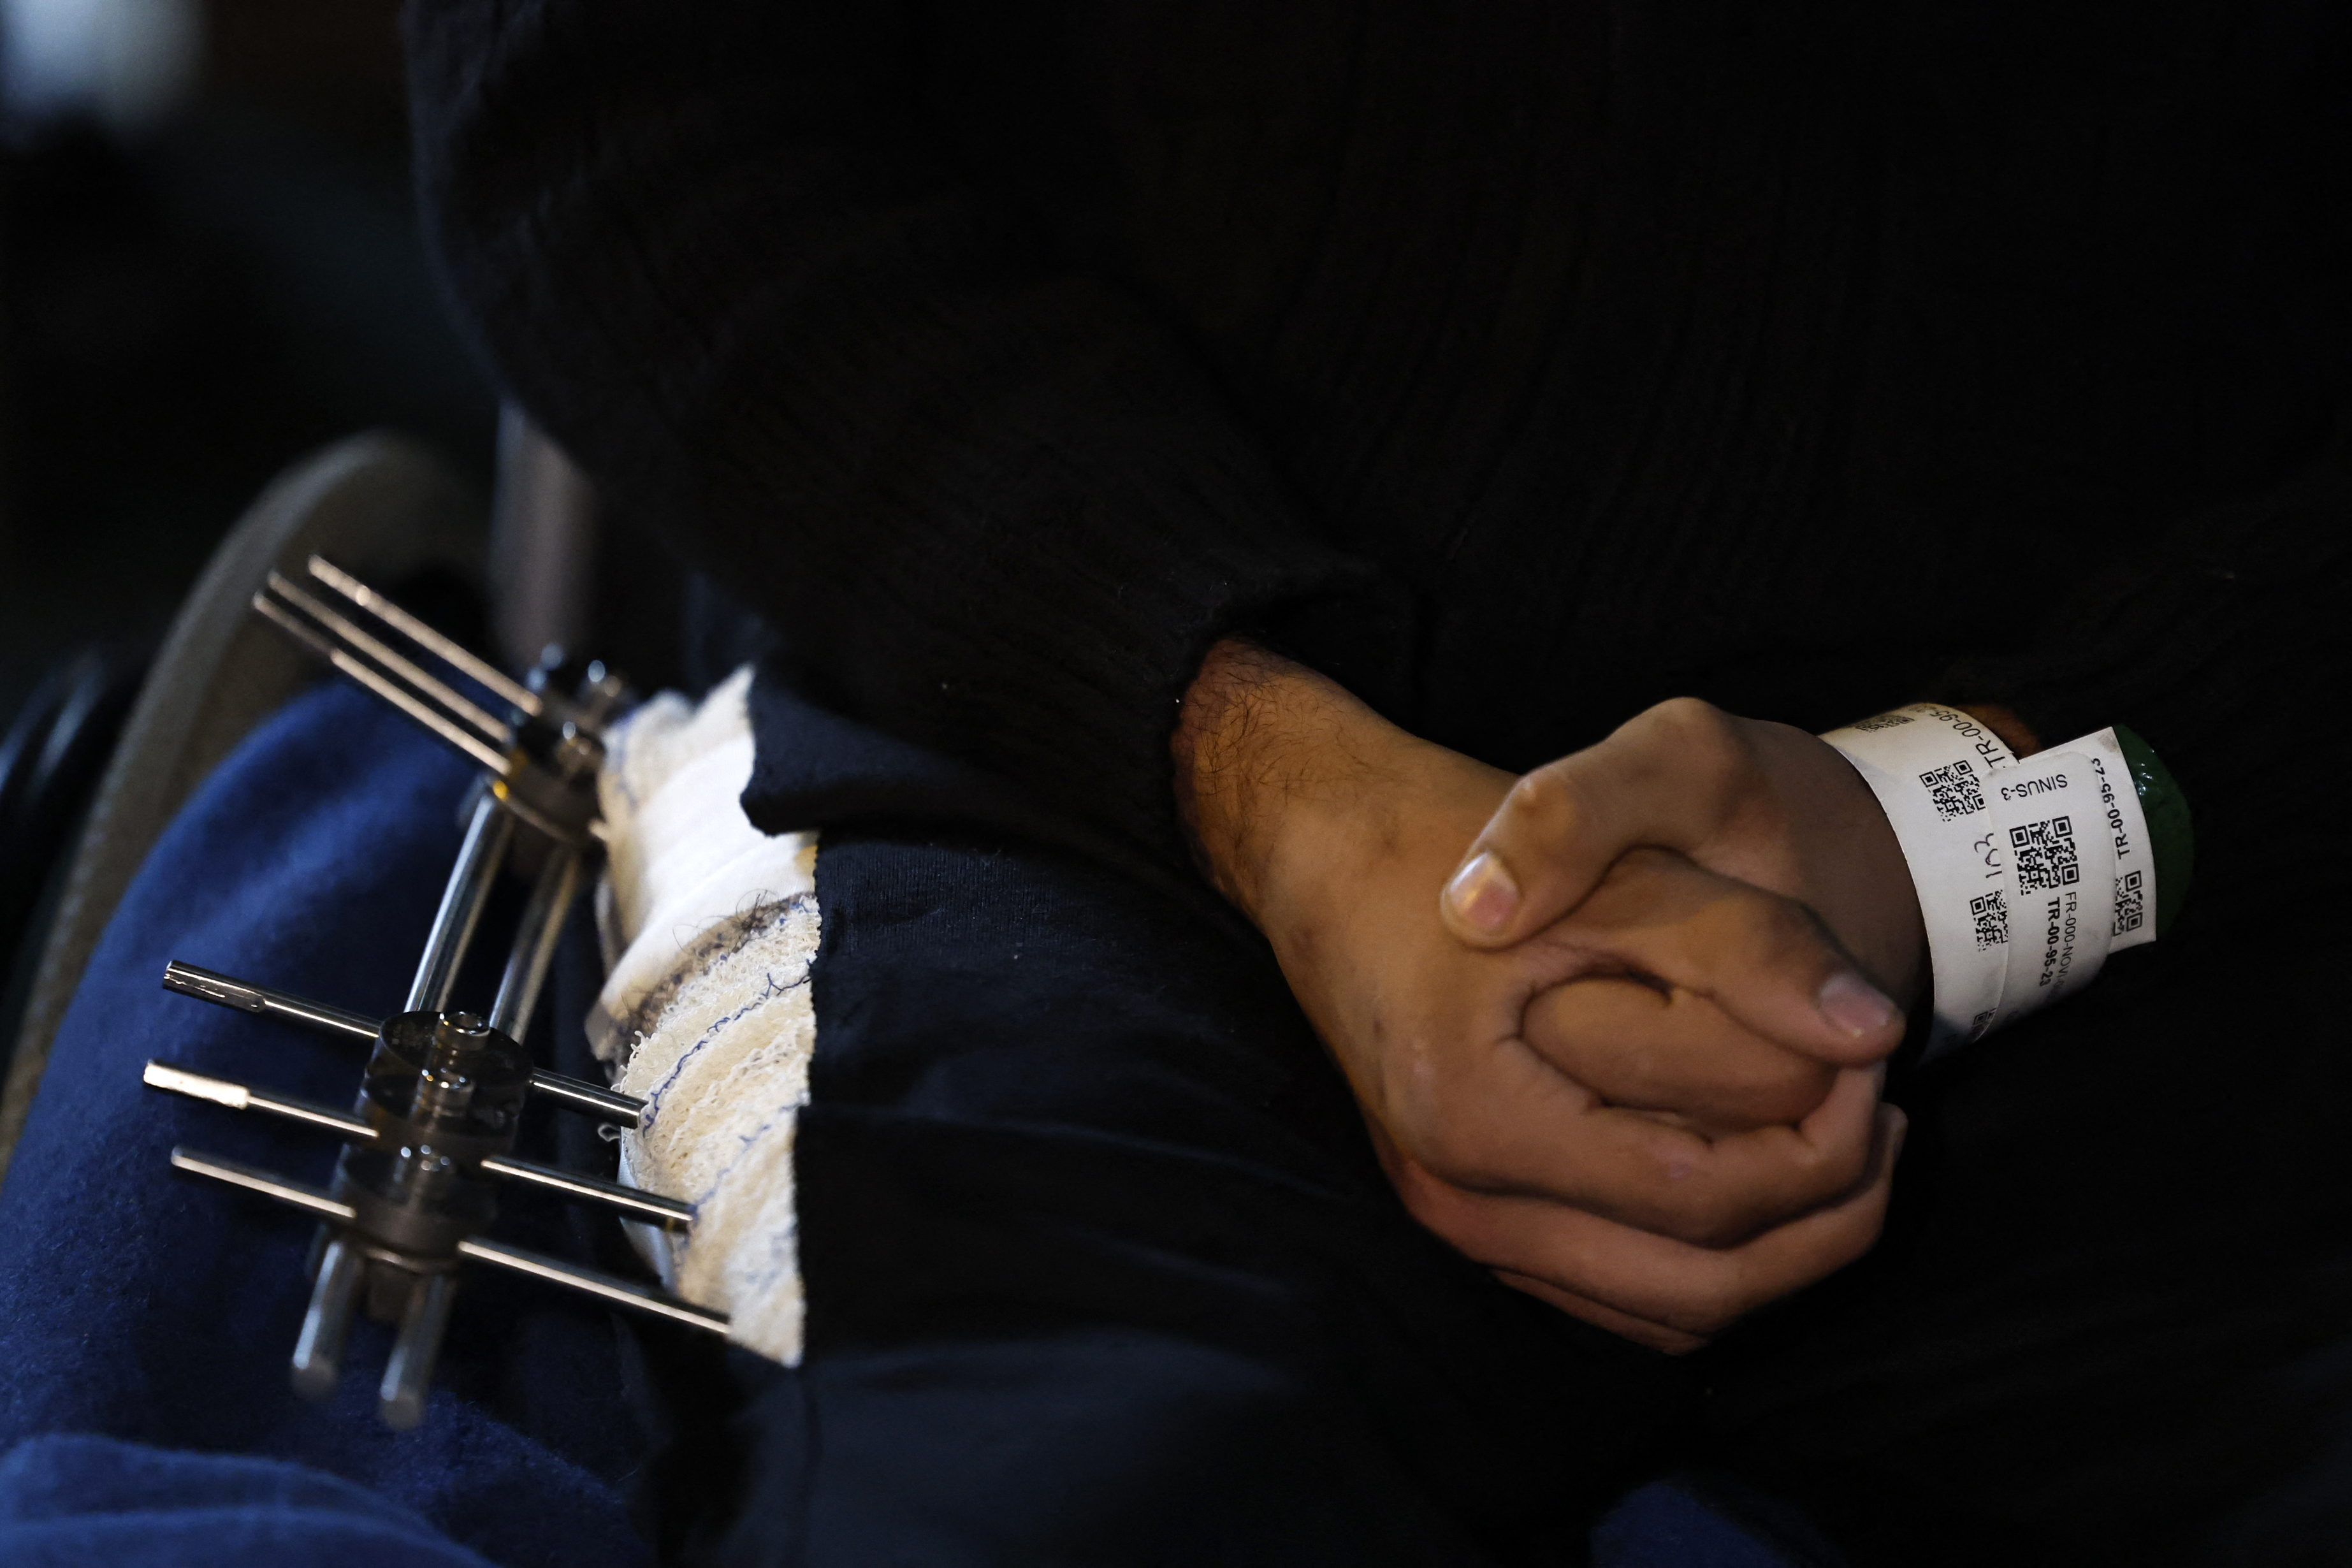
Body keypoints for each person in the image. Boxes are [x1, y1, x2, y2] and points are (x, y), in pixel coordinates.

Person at [405, 1, 2352, 1561]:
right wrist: (1274, 775)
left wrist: (1946, 829)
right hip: (1090, 770)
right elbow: (619, 122)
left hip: (2152, 867)